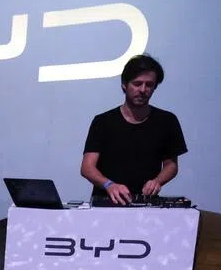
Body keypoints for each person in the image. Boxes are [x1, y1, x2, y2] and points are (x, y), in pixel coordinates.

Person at [80, 54, 188, 206]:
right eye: (137, 84)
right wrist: (109, 185)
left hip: (145, 204)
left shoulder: (167, 121)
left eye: (149, 85)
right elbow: (87, 167)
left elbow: (171, 165)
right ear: (124, 84)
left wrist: (157, 181)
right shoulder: (103, 122)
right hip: (106, 203)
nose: (143, 90)